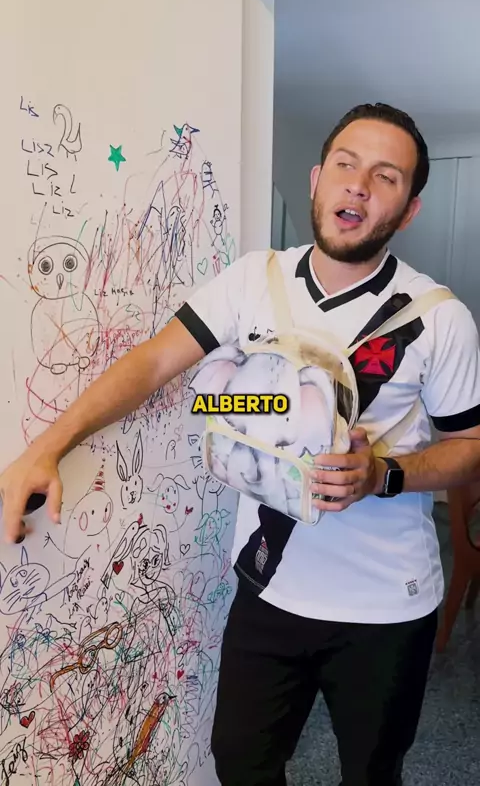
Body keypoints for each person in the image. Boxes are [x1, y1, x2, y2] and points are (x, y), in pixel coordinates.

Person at [2, 102, 480, 786]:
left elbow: (471, 444)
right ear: (317, 179)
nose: (358, 184)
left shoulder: (438, 318)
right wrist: (46, 448)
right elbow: (152, 363)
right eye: (345, 165)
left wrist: (383, 475)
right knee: (241, 763)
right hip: (268, 586)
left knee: (373, 773)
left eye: (386, 177)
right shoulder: (255, 281)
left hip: (386, 606)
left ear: (408, 210)